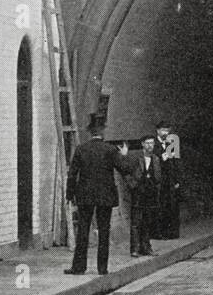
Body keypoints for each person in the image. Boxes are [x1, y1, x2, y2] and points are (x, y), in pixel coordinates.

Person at [65, 114, 132, 275]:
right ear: (102, 132)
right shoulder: (110, 150)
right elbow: (125, 169)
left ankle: (79, 267)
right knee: (104, 230)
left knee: (83, 230)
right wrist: (124, 155)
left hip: (85, 195)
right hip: (105, 196)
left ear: (90, 132)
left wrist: (69, 195)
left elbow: (73, 174)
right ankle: (102, 268)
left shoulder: (81, 149)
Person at [126, 135, 162, 257]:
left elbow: (158, 176)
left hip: (150, 194)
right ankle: (134, 248)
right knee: (136, 222)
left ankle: (146, 247)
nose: (150, 146)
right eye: (147, 143)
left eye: (152, 143)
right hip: (138, 193)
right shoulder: (136, 157)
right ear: (142, 144)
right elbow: (127, 171)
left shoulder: (156, 159)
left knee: (147, 221)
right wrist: (132, 185)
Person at [154, 120, 182, 239]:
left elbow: (176, 163)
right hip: (160, 181)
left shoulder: (172, 142)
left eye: (167, 130)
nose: (166, 133)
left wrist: (177, 180)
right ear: (158, 131)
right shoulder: (153, 144)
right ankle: (161, 232)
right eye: (163, 130)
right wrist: (163, 157)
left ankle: (173, 232)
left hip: (170, 180)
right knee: (161, 207)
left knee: (173, 206)